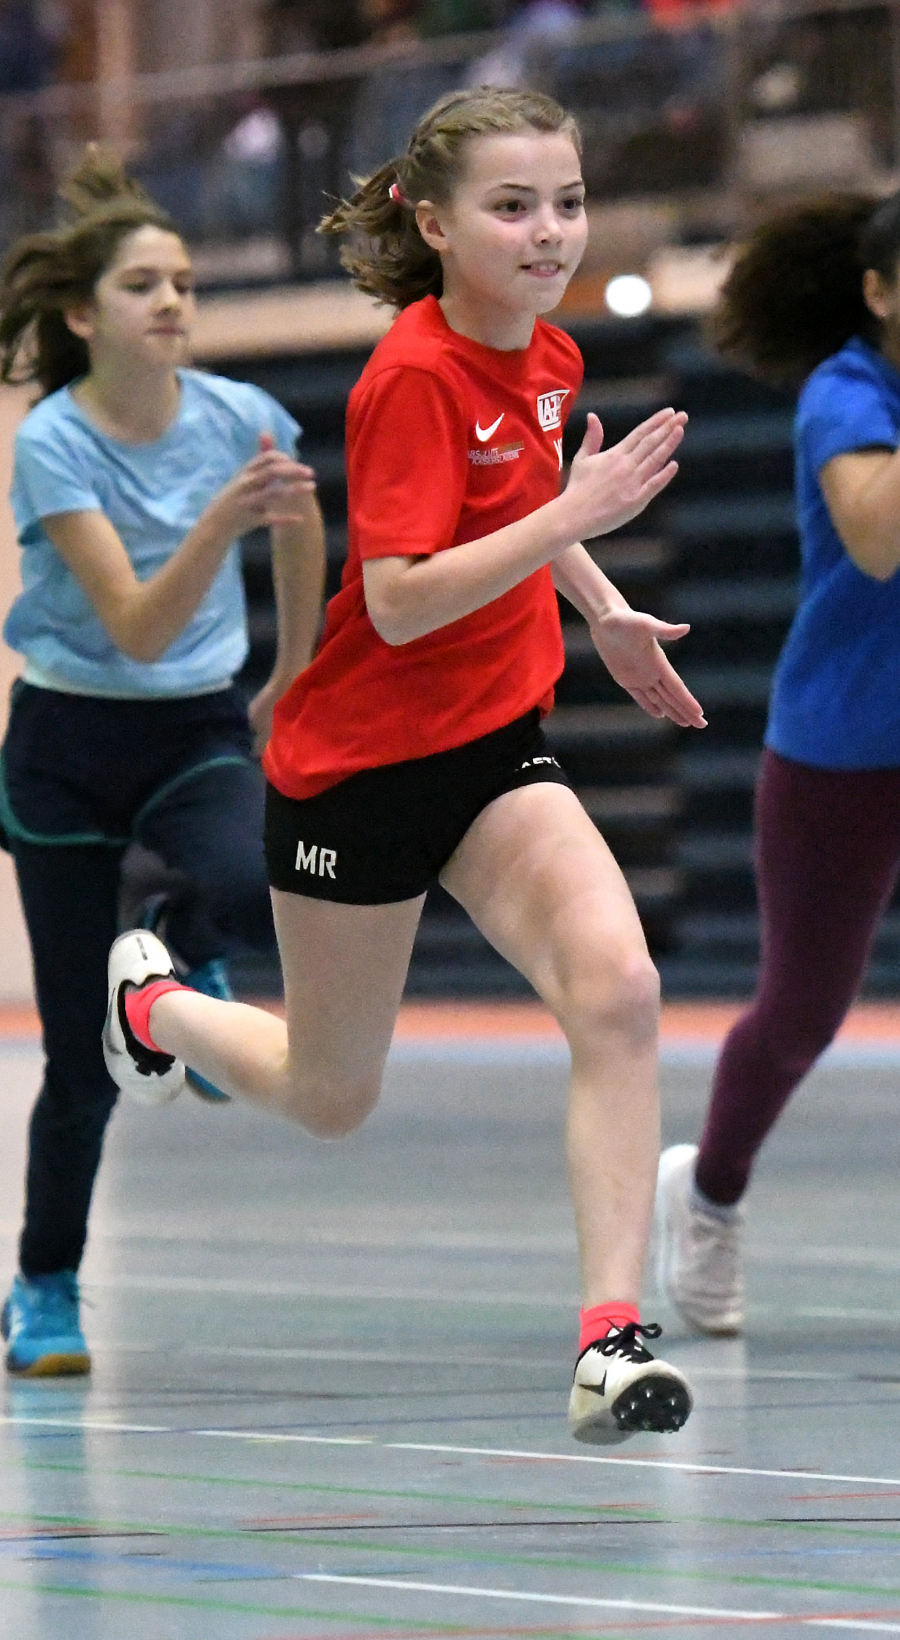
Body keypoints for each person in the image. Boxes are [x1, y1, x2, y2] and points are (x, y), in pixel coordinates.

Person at [103, 85, 706, 1445]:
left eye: (566, 200)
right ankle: (154, 1007)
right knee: (332, 1096)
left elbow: (530, 504)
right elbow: (400, 600)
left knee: (617, 988)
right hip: (359, 773)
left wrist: (599, 604)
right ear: (434, 225)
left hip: (494, 751)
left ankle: (611, 1341)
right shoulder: (411, 380)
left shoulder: (546, 356)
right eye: (513, 207)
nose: (550, 230)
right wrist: (572, 508)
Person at [0, 147, 325, 1376]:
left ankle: (186, 961)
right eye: (146, 284)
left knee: (251, 883)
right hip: (68, 746)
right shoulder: (54, 442)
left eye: (185, 281)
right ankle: (44, 1287)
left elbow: (300, 527)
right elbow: (134, 622)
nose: (176, 301)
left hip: (197, 728)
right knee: (79, 1054)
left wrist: (292, 667)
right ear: (85, 314)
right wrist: (215, 524)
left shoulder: (244, 417)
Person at [656, 192, 900, 1335]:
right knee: (803, 1008)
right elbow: (878, 537)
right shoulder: (842, 393)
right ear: (881, 292)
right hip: (845, 746)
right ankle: (708, 1195)